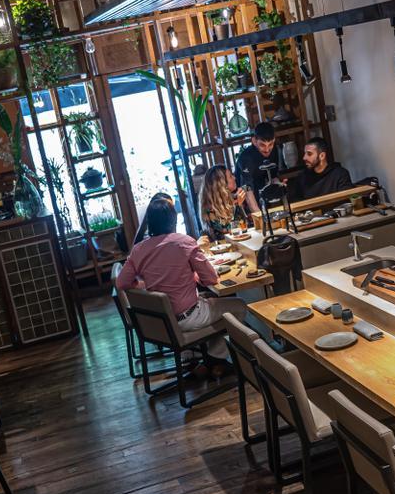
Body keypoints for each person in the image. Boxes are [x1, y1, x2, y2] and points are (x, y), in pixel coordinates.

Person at [117, 197, 244, 371]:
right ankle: (216, 358)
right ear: (173, 219)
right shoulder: (184, 242)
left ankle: (198, 357)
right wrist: (194, 276)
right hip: (188, 318)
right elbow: (211, 280)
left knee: (208, 299)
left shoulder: (138, 249)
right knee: (239, 306)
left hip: (160, 322)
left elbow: (122, 282)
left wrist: (145, 288)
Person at [234, 122, 286, 213]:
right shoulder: (246, 158)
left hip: (262, 192)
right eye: (262, 145)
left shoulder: (274, 150)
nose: (267, 150)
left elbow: (273, 176)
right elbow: (247, 189)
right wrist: (259, 215)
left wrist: (279, 184)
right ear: (254, 141)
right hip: (242, 198)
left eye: (270, 144)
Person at [196, 165, 247, 241]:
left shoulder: (230, 199)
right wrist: (238, 206)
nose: (234, 178)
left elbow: (245, 228)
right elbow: (235, 232)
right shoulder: (210, 210)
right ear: (221, 184)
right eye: (230, 176)